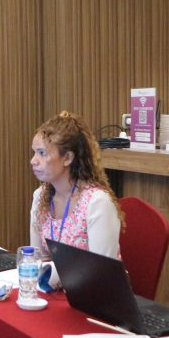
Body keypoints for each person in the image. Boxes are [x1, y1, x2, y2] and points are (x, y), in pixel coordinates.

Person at [29, 111, 123, 289]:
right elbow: (36, 259)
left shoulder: (97, 203)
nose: (33, 161)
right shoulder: (41, 196)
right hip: (55, 289)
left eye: (42, 153)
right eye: (34, 152)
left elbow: (101, 274)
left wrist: (51, 274)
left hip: (96, 295)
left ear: (67, 158)